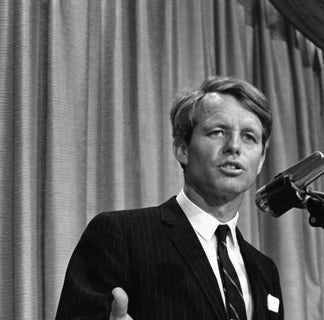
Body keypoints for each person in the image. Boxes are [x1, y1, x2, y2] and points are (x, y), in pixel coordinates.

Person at [56, 76, 284, 320]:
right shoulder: (120, 235)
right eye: (218, 132)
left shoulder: (264, 270)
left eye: (249, 136)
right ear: (182, 149)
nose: (234, 146)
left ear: (260, 161)